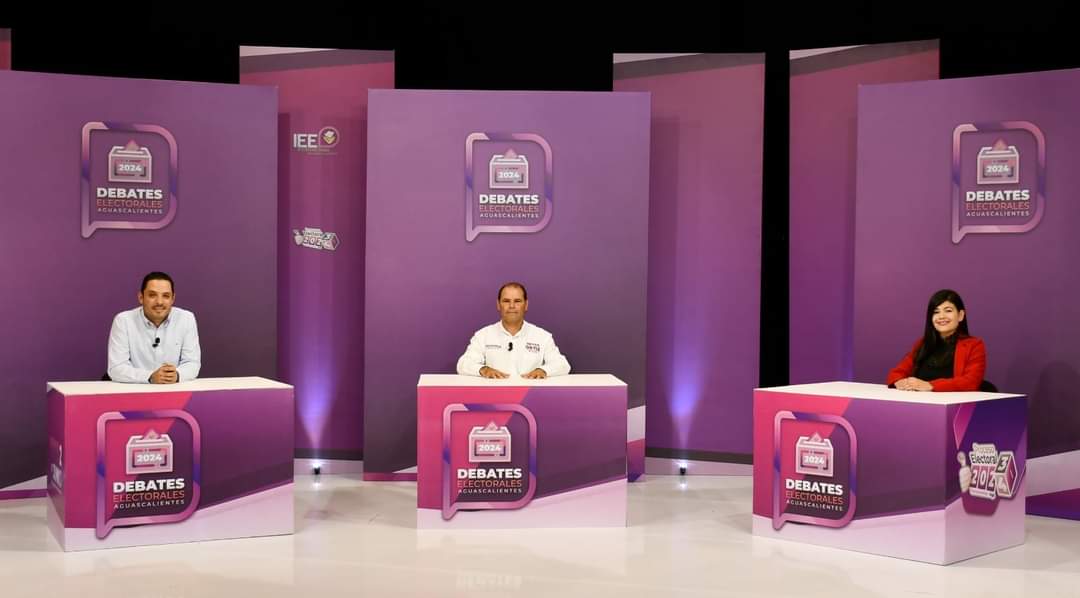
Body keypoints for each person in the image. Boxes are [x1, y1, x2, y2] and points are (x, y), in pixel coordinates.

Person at [456, 282, 571, 379]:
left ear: (526, 305)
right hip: (494, 395)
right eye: (506, 301)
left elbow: (563, 365)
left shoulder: (542, 336)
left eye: (517, 301)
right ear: (498, 305)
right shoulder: (483, 335)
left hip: (530, 396)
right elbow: (463, 364)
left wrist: (543, 370)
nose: (512, 306)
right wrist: (484, 370)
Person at [107, 271, 201, 384]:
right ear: (141, 297)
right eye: (152, 295)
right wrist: (150, 376)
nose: (159, 302)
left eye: (166, 296)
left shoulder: (186, 319)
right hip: (136, 389)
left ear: (173, 299)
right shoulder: (123, 321)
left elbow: (192, 363)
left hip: (172, 389)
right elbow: (116, 368)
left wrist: (176, 375)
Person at [886, 289, 985, 392]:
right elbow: (896, 373)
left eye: (948, 311)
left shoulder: (974, 345)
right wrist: (899, 382)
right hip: (919, 399)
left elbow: (971, 381)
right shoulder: (922, 344)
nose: (941, 316)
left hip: (951, 401)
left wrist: (930, 385)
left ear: (960, 315)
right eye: (936, 312)